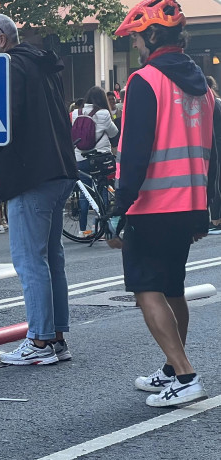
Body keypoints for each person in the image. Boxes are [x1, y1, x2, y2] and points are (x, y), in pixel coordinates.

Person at [110, 0, 219, 407]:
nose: (136, 44)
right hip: (191, 203)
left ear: (152, 36)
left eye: (137, 37)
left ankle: (186, 374)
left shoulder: (146, 80)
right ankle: (173, 368)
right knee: (173, 287)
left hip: (153, 203)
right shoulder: (205, 88)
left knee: (146, 289)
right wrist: (208, 206)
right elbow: (215, 150)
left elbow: (136, 151)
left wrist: (120, 206)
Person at [0, 12, 77, 366]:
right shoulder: (40, 64)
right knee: (52, 258)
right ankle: (55, 337)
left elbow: (1, 120)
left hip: (31, 174)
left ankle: (40, 341)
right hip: (60, 170)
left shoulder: (9, 67)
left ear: (1, 40)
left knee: (29, 260)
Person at [71, 86, 118, 235]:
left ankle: (83, 229)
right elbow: (114, 132)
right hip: (99, 159)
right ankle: (105, 229)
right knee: (102, 190)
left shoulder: (75, 113)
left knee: (86, 193)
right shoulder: (103, 113)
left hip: (80, 158)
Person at [206, 76, 221, 234]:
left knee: (215, 183)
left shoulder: (210, 103)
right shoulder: (218, 101)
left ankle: (215, 220)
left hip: (215, 146)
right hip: (219, 144)